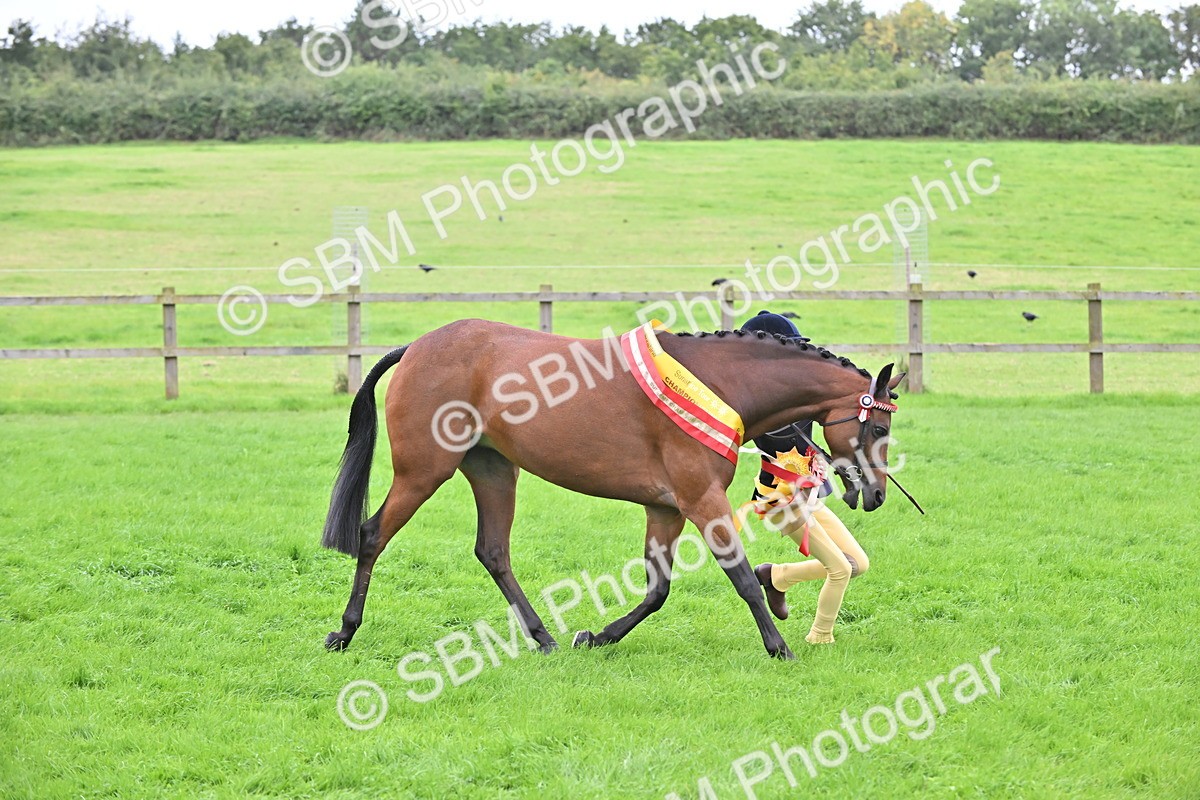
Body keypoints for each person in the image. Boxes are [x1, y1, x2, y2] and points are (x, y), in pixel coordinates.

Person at [738, 310, 870, 645]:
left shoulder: (798, 391)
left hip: (812, 495)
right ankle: (820, 638)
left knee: (859, 564)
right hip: (781, 499)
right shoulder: (755, 402)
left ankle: (777, 576)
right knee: (840, 570)